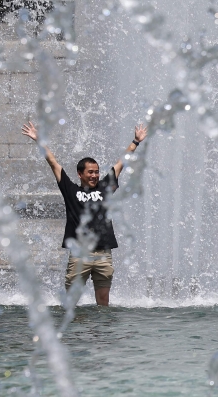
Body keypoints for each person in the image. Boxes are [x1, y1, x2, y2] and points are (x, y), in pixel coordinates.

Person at [21, 120, 147, 306]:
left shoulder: (105, 187)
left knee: (103, 302)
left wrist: (135, 142)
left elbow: (121, 163)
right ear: (80, 174)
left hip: (103, 254)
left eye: (96, 172)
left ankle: (100, 334)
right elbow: (53, 162)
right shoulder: (70, 190)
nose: (95, 175)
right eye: (90, 172)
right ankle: (73, 334)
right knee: (71, 302)